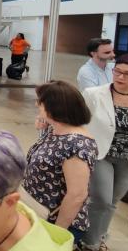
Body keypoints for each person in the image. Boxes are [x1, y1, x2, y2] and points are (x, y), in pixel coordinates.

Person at [23, 81, 97, 245]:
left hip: (55, 223)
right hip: (37, 215)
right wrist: (43, 119)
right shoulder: (56, 129)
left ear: (54, 107)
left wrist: (56, 234)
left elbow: (77, 195)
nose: (36, 105)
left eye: (40, 102)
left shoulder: (77, 145)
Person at [80, 53, 128, 251]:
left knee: (113, 201)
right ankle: (89, 243)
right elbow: (78, 119)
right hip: (101, 154)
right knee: (102, 200)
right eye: (117, 71)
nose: (120, 77)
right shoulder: (93, 94)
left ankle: (99, 237)